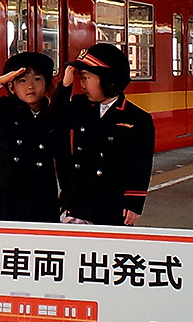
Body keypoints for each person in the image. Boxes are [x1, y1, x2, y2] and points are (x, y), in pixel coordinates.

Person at [53, 43, 155, 226]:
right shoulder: (80, 106)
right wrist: (65, 84)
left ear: (109, 80)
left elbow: (140, 164)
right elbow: (54, 121)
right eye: (81, 78)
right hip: (78, 203)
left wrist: (134, 202)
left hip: (112, 206)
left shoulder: (137, 119)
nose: (82, 84)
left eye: (86, 78)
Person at [0, 52, 61, 222]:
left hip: (43, 189)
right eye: (22, 80)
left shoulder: (51, 112)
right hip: (11, 190)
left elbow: (62, 153)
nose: (30, 86)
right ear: (11, 87)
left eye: (37, 79)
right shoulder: (5, 109)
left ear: (46, 84)